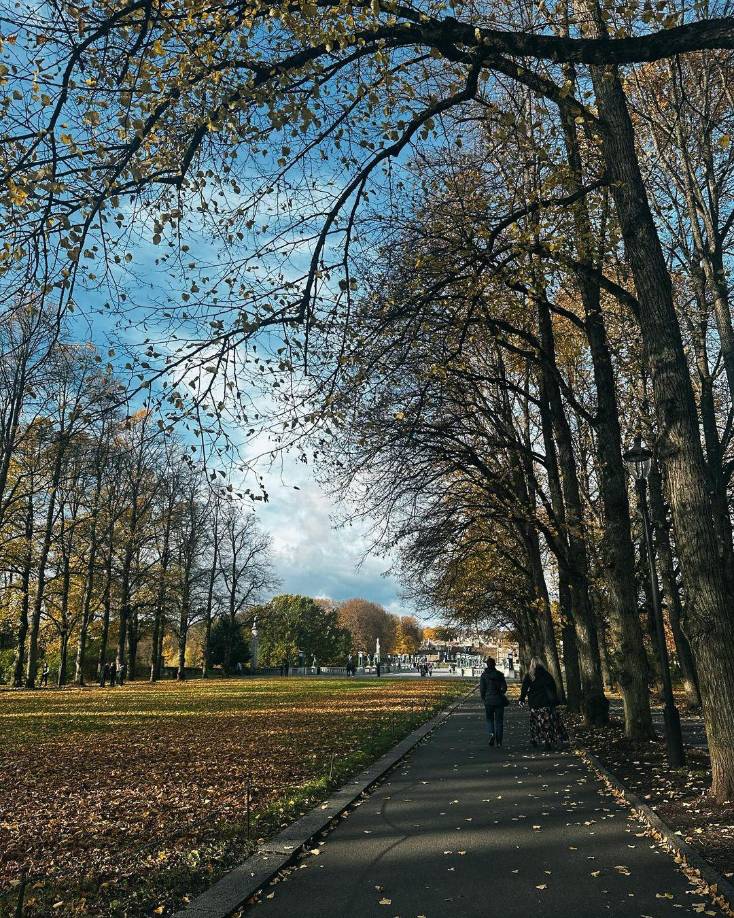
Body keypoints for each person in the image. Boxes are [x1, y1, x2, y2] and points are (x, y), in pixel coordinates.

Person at [519, 657, 569, 750]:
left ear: (532, 664)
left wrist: (521, 699)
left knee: (535, 722)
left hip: (534, 703)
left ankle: (534, 738)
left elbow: (524, 689)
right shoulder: (547, 675)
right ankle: (547, 741)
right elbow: (553, 688)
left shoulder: (529, 676)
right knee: (546, 722)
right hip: (546, 702)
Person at [479, 657, 508, 747]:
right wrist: (501, 692)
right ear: (495, 664)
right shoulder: (500, 675)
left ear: (487, 665)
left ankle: (491, 733)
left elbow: (482, 689)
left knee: (489, 719)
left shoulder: (484, 676)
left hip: (489, 701)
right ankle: (499, 741)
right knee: (499, 721)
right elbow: (504, 688)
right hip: (499, 700)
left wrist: (484, 698)